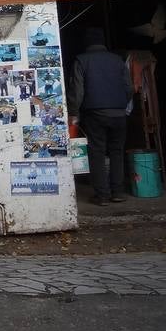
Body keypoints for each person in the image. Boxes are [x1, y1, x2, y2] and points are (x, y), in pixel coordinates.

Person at [68, 27, 133, 206]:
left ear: (86, 43)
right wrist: (120, 104)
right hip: (119, 114)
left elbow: (77, 91)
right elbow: (129, 88)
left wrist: (73, 113)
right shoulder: (118, 60)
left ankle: (102, 195)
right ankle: (117, 192)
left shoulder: (81, 60)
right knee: (117, 151)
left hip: (95, 115)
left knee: (97, 152)